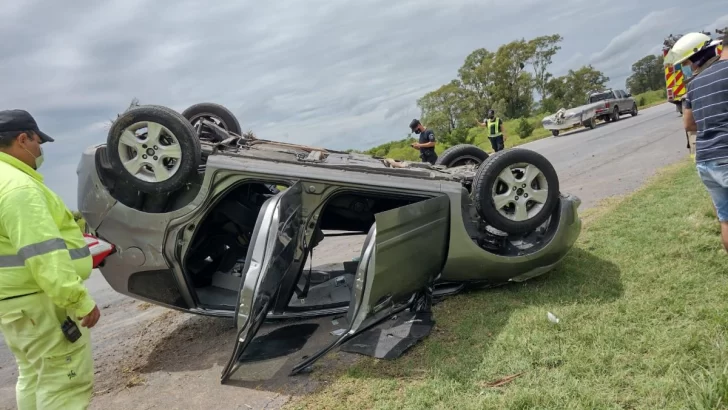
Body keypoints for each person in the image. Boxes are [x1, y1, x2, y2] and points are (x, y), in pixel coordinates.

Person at [0, 109, 100, 409]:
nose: (40, 150)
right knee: (63, 384)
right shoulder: (19, 188)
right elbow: (43, 254)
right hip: (41, 303)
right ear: (22, 139)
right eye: (37, 142)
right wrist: (78, 299)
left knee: (33, 375)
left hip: (16, 305)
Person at [682, 32, 728, 252]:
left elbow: (689, 125)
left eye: (688, 63)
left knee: (726, 220)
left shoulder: (693, 85)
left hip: (706, 160)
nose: (687, 67)